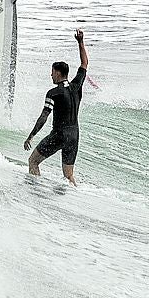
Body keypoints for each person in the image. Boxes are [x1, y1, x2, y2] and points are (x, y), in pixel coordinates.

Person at [23, 30, 89, 186]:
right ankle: (77, 196)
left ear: (59, 73)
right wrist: (80, 42)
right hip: (74, 135)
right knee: (68, 175)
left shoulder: (53, 93)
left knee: (33, 161)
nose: (51, 75)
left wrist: (31, 136)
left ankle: (35, 192)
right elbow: (84, 63)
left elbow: (44, 116)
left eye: (52, 72)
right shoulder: (76, 85)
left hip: (59, 135)